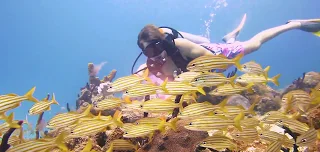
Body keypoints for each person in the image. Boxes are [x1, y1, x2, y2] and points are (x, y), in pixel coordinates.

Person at [132, 14, 320, 83]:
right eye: (147, 52)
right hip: (202, 80)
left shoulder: (180, 45)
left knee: (254, 45)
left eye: (155, 49)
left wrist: (194, 77)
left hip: (217, 57)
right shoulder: (155, 64)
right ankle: (230, 38)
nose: (154, 56)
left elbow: (212, 59)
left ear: (163, 43)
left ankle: (293, 24)